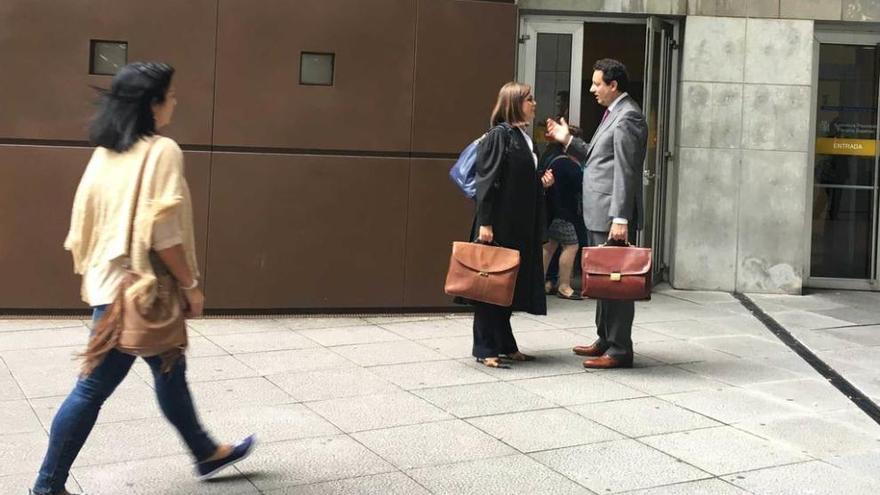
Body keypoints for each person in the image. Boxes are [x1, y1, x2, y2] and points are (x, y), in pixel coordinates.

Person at [30, 62, 254, 495]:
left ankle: (206, 451)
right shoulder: (162, 150)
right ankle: (46, 486)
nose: (175, 102)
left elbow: (89, 218)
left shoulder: (106, 152)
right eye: (170, 96)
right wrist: (190, 285)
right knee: (92, 388)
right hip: (141, 292)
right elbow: (163, 231)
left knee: (169, 370)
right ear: (152, 105)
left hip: (109, 282)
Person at [546, 58, 648, 369]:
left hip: (609, 214)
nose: (592, 89)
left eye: (596, 83)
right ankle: (605, 338)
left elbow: (626, 171)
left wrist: (620, 217)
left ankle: (619, 350)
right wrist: (567, 141)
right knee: (603, 278)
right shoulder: (614, 113)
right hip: (598, 210)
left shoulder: (629, 117)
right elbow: (596, 156)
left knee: (615, 280)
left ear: (613, 85)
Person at [469, 82, 555, 368]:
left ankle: (505, 343)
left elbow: (517, 179)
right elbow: (487, 181)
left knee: (506, 285)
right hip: (499, 224)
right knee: (489, 286)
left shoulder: (523, 138)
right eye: (529, 99)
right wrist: (486, 224)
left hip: (519, 224)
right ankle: (484, 348)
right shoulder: (500, 135)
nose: (534, 103)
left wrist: (540, 181)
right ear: (515, 103)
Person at [539, 127, 585, 300]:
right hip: (563, 214)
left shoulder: (552, 159)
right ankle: (564, 286)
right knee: (571, 246)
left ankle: (540, 283)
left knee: (549, 247)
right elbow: (583, 187)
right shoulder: (569, 165)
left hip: (551, 212)